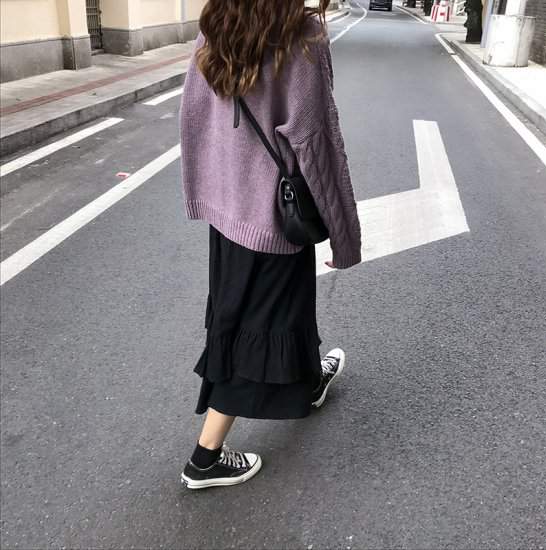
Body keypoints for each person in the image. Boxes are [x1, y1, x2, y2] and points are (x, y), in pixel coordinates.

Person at [179, 0, 362, 489]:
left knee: (269, 310)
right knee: (253, 328)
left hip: (227, 209)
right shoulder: (302, 36)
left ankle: (309, 381)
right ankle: (205, 458)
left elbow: (193, 114)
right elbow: (317, 141)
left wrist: (205, 193)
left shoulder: (217, 22)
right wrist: (344, 234)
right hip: (272, 217)